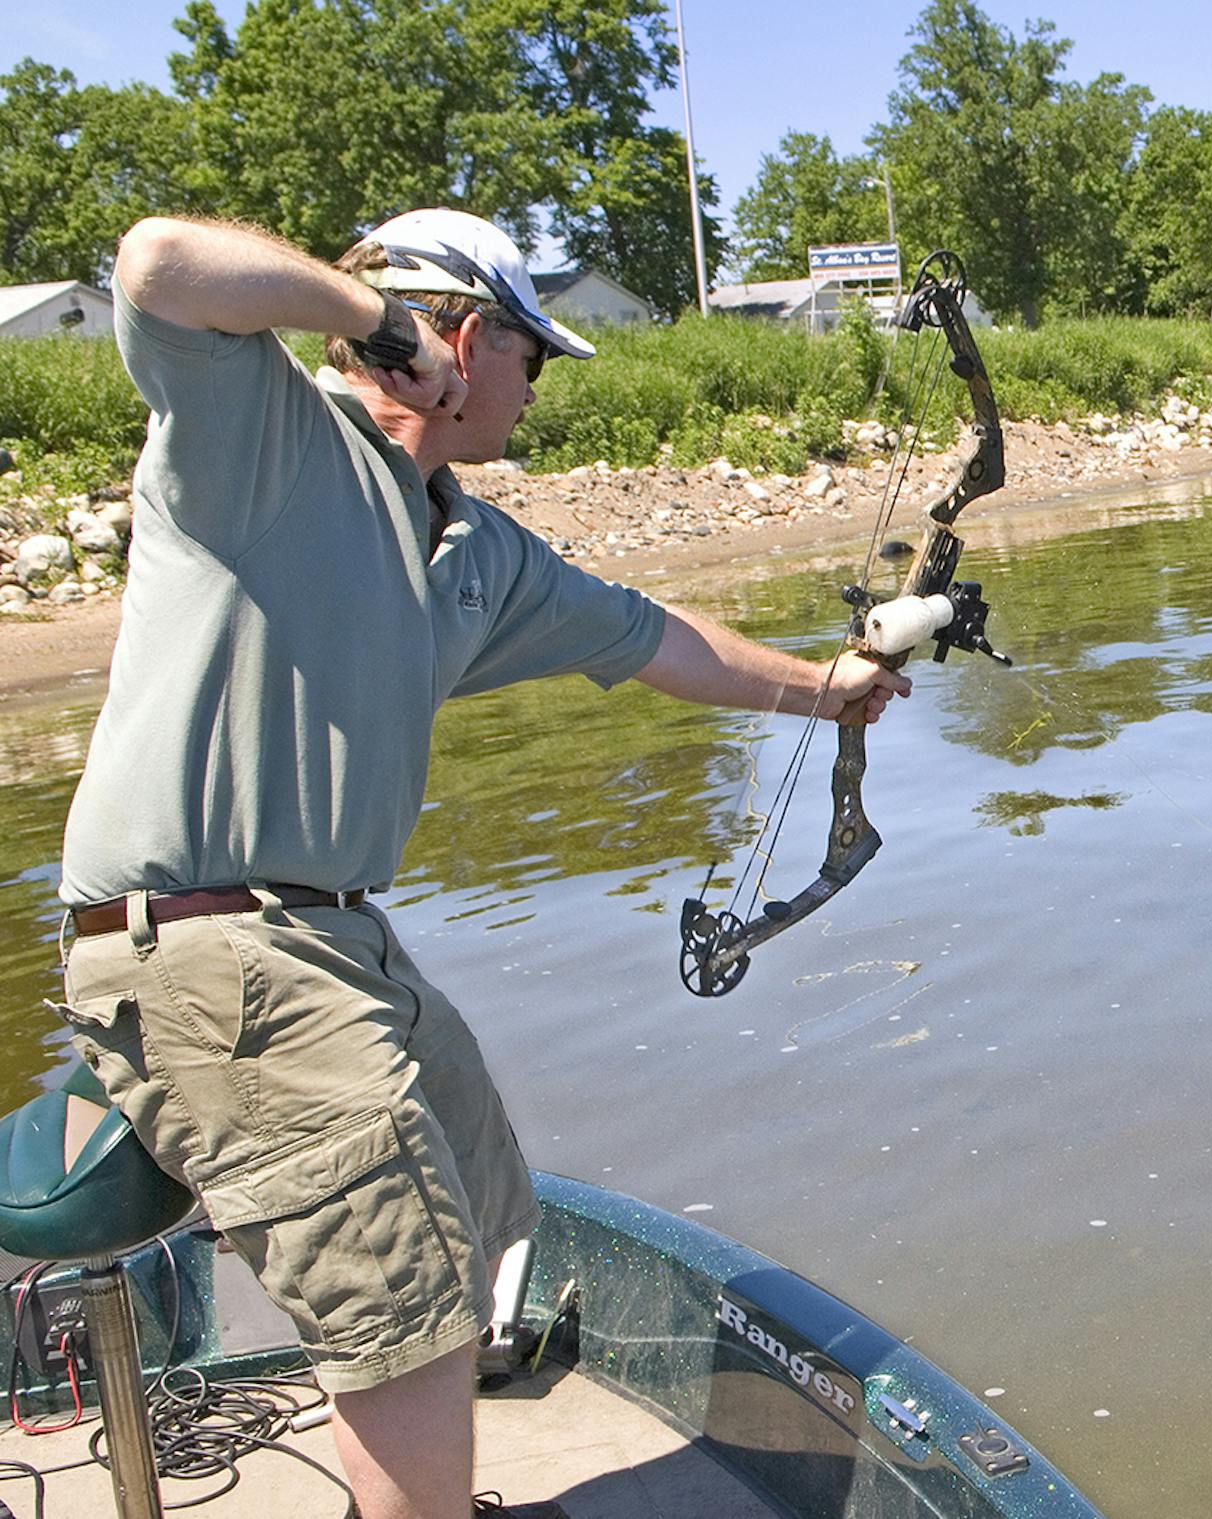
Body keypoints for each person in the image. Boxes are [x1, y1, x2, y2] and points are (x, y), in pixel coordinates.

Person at [51, 208, 909, 1519]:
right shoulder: (261, 435)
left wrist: (829, 689)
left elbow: (653, 637)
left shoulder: (473, 549)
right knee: (405, 1310)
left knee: (484, 1190)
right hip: (212, 945)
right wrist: (363, 321)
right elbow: (157, 264)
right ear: (464, 335)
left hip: (330, 944)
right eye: (534, 355)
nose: (538, 386)